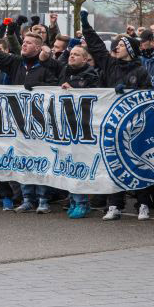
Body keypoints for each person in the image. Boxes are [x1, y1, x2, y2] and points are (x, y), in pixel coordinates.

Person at [80, 9, 153, 220]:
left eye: (120, 46)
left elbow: (147, 96)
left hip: (135, 126)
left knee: (137, 164)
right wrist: (86, 25)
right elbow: (95, 46)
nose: (116, 48)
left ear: (130, 50)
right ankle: (114, 204)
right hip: (113, 125)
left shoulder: (140, 71)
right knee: (113, 164)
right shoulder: (110, 64)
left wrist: (130, 94)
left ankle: (143, 204)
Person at [0, 21, 59, 214]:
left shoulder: (46, 66)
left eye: (28, 43)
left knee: (41, 160)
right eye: (23, 42)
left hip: (41, 124)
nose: (24, 45)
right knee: (24, 160)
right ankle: (27, 198)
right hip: (18, 122)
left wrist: (38, 87)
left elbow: (56, 86)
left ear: (38, 47)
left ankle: (43, 199)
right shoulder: (15, 63)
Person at [59, 45, 101, 219]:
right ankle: (73, 199)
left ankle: (82, 202)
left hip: (83, 127)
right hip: (66, 124)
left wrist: (74, 86)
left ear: (85, 59)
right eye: (71, 54)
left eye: (77, 55)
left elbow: (90, 89)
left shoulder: (91, 74)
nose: (72, 57)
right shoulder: (65, 71)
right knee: (68, 163)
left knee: (79, 164)